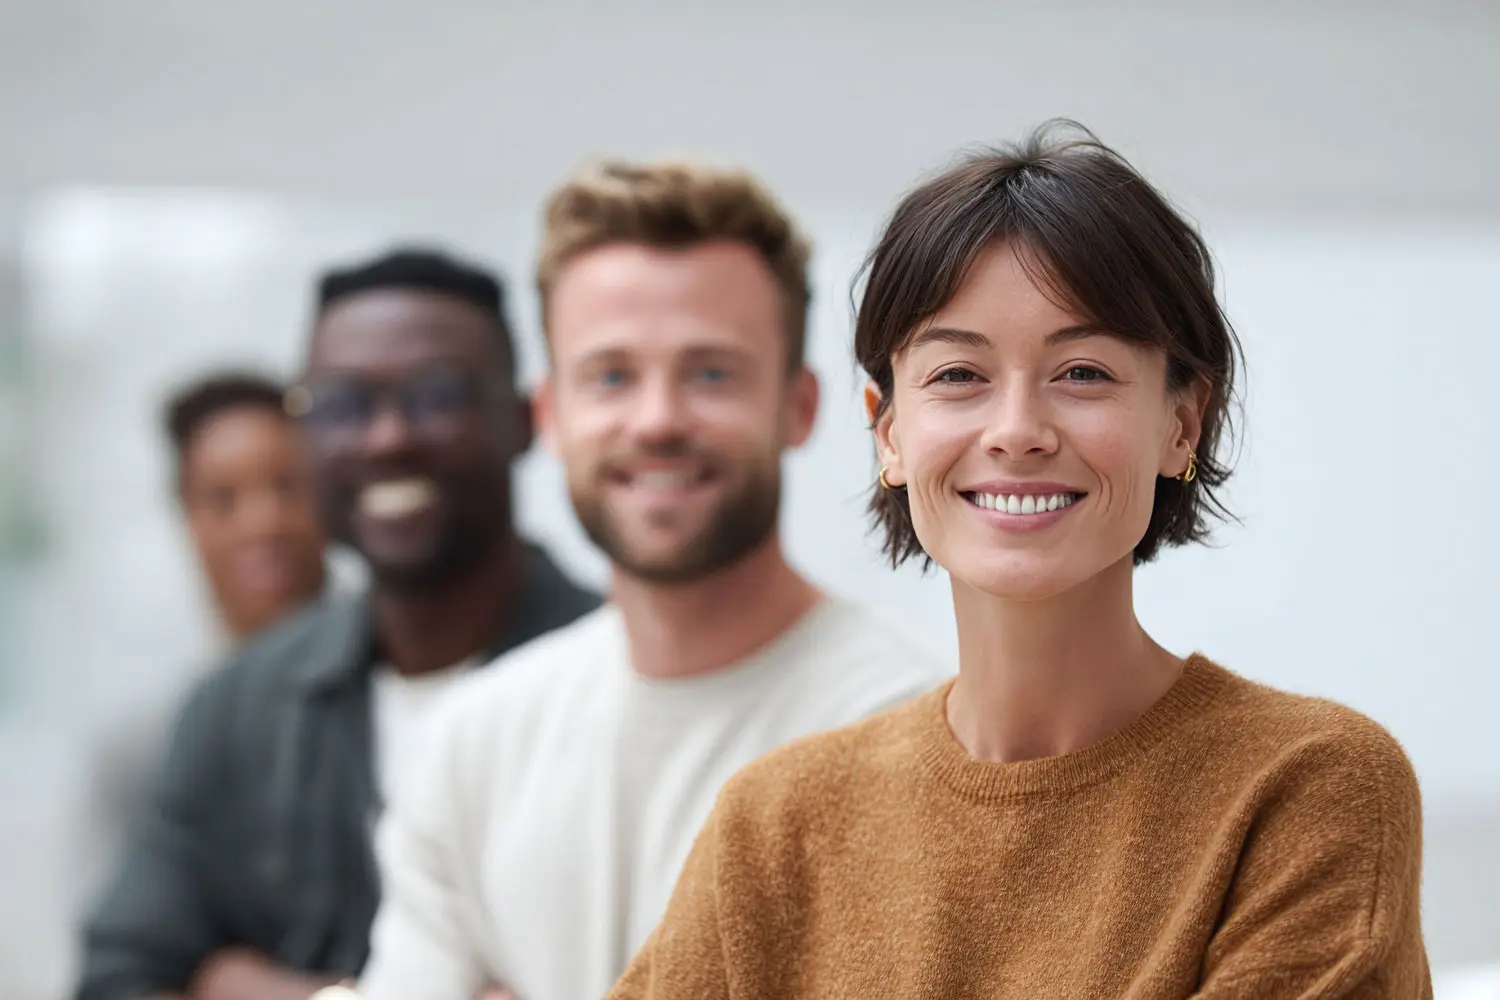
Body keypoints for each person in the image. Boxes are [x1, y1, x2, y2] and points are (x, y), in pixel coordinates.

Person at [607, 124, 1431, 998]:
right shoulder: (773, 825)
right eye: (959, 375)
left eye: (1082, 372)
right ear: (889, 433)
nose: (1016, 432)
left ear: (1180, 423)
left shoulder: (1309, 787)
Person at [355, 161, 949, 1000]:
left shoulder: (919, 733)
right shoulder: (470, 747)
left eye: (711, 372)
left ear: (799, 405)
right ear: (551, 415)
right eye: (611, 376)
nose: (658, 419)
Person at [76, 249, 601, 1000]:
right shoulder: (237, 707)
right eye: (343, 404)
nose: (387, 437)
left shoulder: (624, 681)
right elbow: (118, 979)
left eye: (437, 395)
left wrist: (230, 980)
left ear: (525, 421)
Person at [74, 372, 330, 913]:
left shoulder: (394, 697)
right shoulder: (143, 750)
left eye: (288, 486)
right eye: (223, 498)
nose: (264, 522)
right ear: (187, 517)